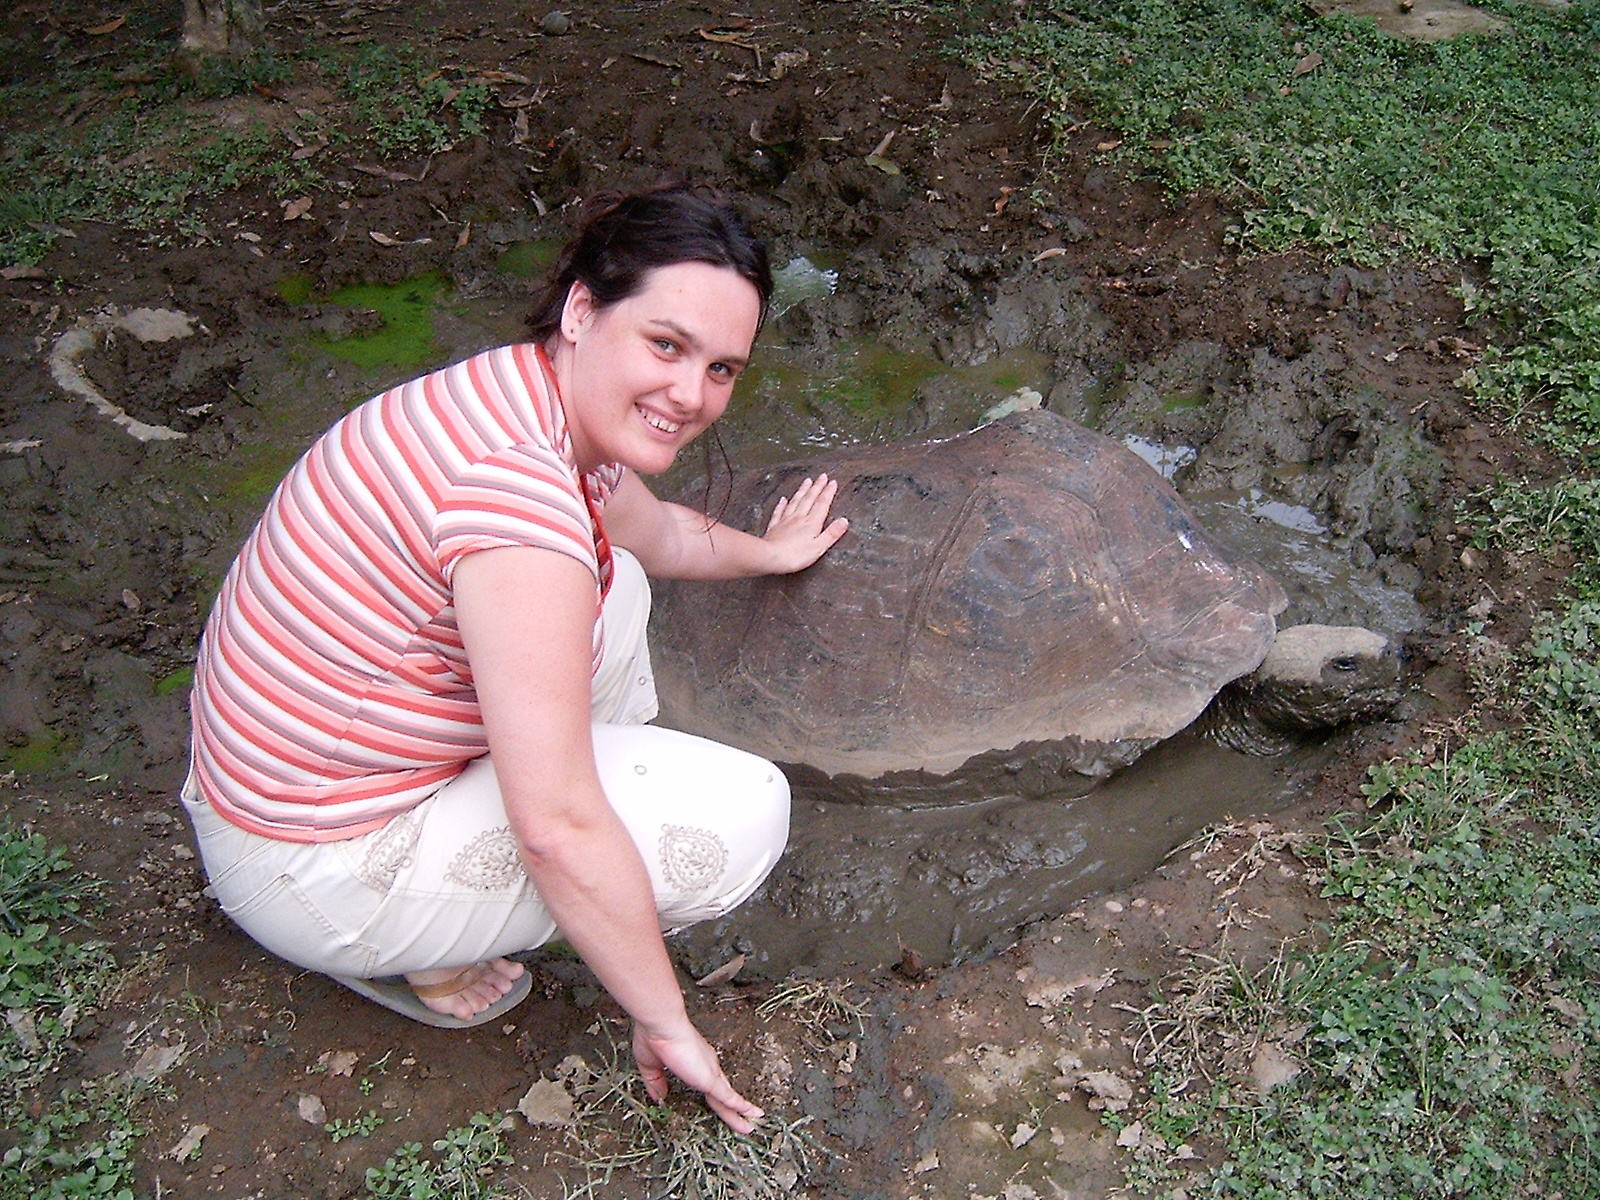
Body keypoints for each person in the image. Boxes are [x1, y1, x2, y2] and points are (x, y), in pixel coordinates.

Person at [180, 186, 848, 1133]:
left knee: (615, 583)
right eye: (666, 345)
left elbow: (649, 532)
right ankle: (421, 954)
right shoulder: (518, 504)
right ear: (583, 309)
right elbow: (557, 831)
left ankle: (522, 799)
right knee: (745, 816)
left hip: (285, 770)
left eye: (722, 367)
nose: (691, 394)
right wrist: (665, 1018)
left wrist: (765, 552)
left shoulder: (528, 394)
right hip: (302, 859)